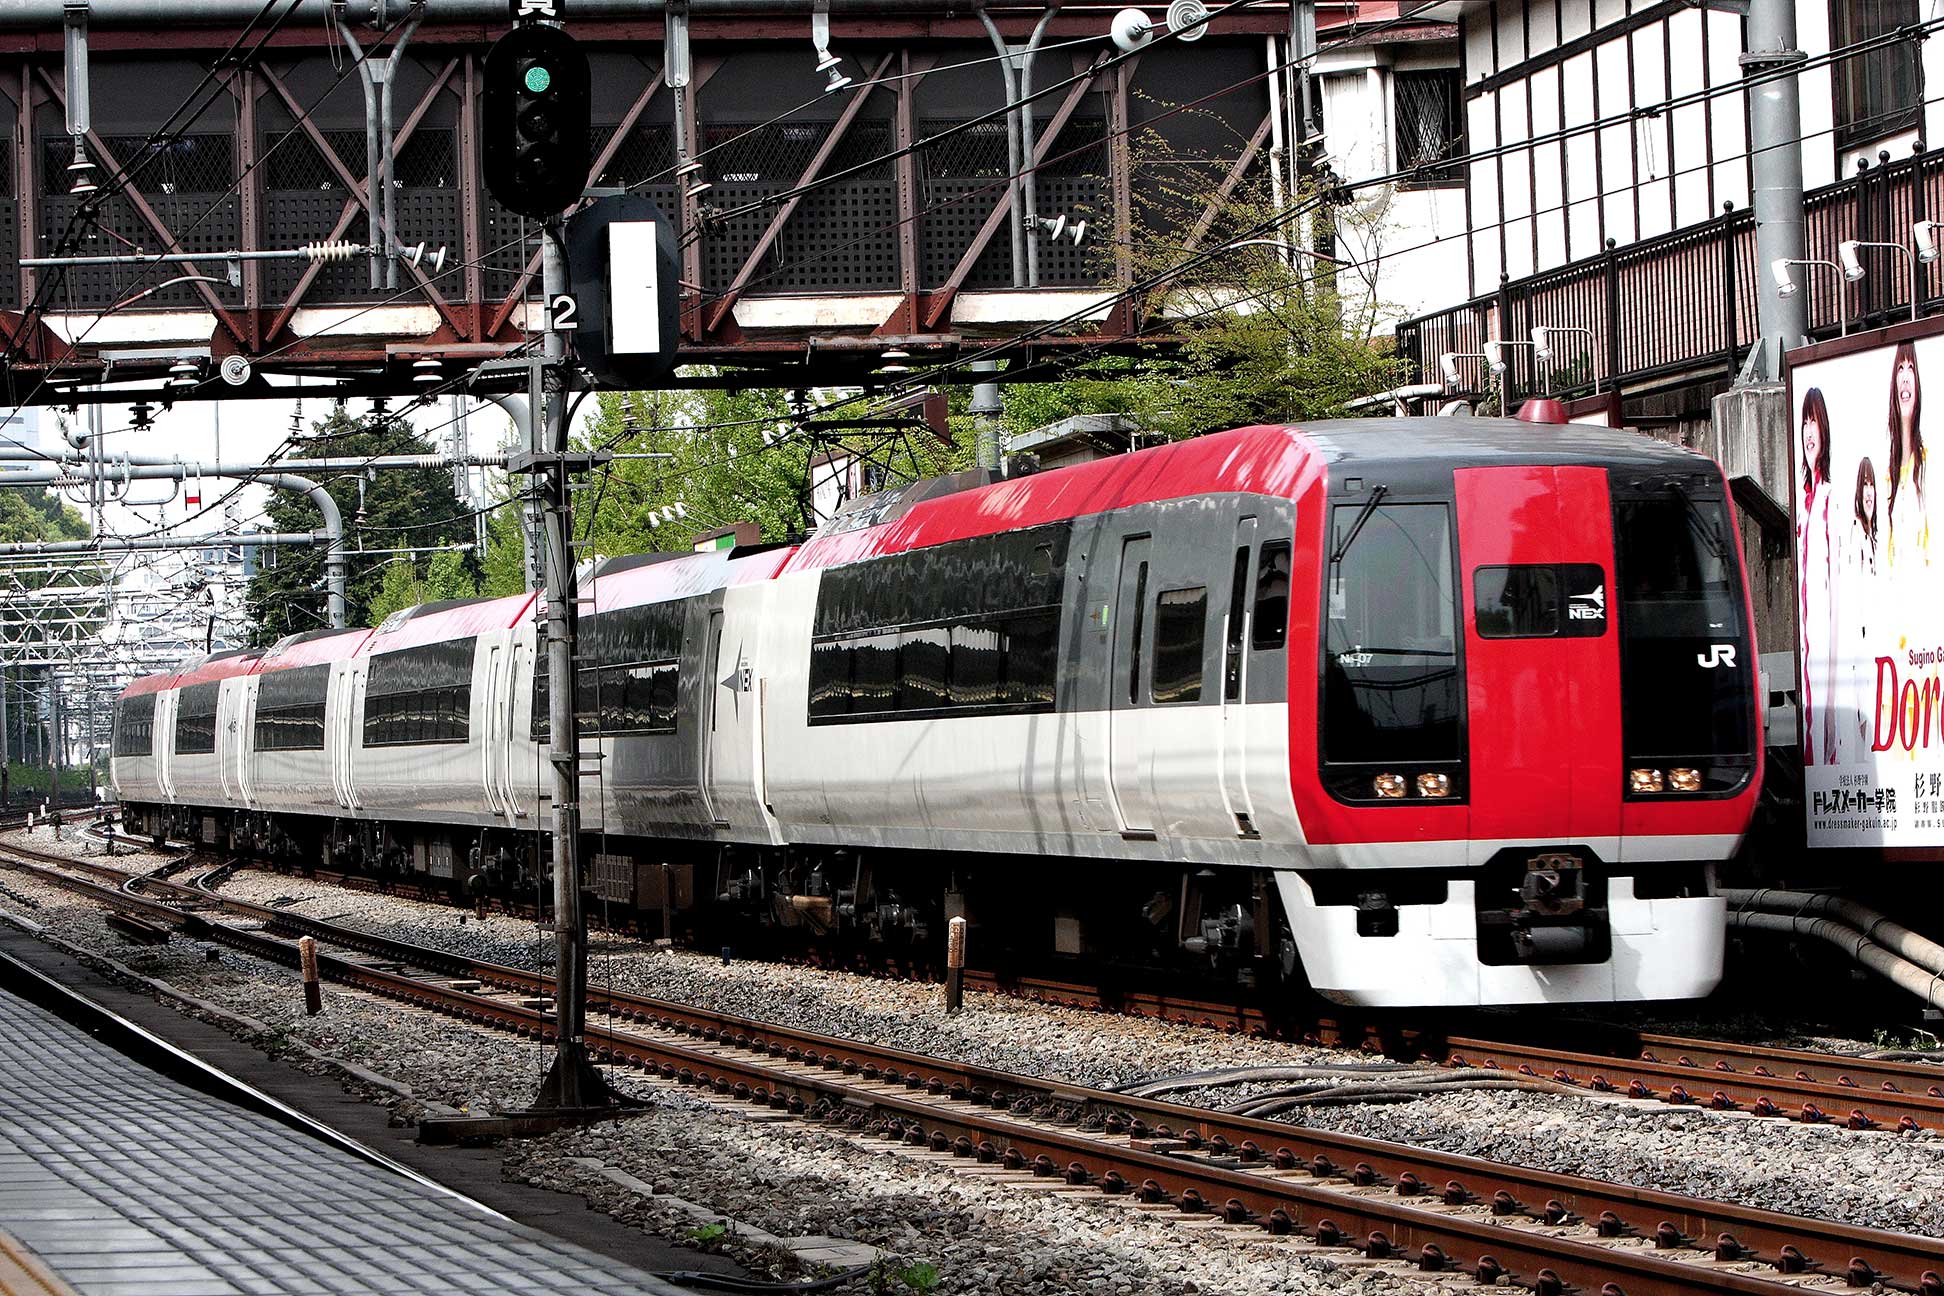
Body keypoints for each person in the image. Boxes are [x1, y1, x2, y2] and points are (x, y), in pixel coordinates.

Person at [1798, 387, 1836, 765]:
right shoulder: (1805, 503)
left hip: (1826, 635)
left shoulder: (1830, 498)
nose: (1810, 431)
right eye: (1805, 422)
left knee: (1827, 723)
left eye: (1814, 422)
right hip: (1808, 638)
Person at [1836, 457, 1880, 764]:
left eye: (1872, 484)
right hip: (1859, 642)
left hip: (1872, 640)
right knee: (1861, 716)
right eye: (1864, 484)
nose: (1869, 492)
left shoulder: (1873, 538)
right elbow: (1852, 594)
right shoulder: (1856, 535)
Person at [1887, 339, 1928, 571]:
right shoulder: (1888, 472)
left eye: (1910, 367)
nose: (1904, 377)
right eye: (1900, 368)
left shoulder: (1927, 462)